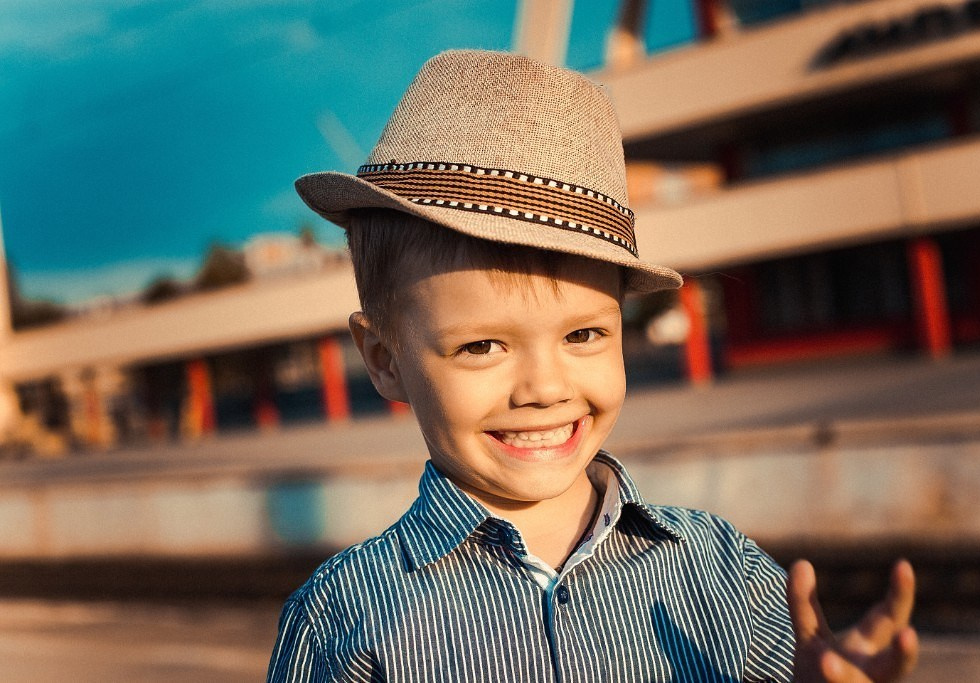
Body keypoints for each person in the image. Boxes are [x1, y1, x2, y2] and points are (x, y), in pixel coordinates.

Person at [267, 49, 917, 682]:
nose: (546, 388)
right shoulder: (342, 620)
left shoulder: (724, 575)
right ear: (384, 360)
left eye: (582, 333)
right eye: (482, 346)